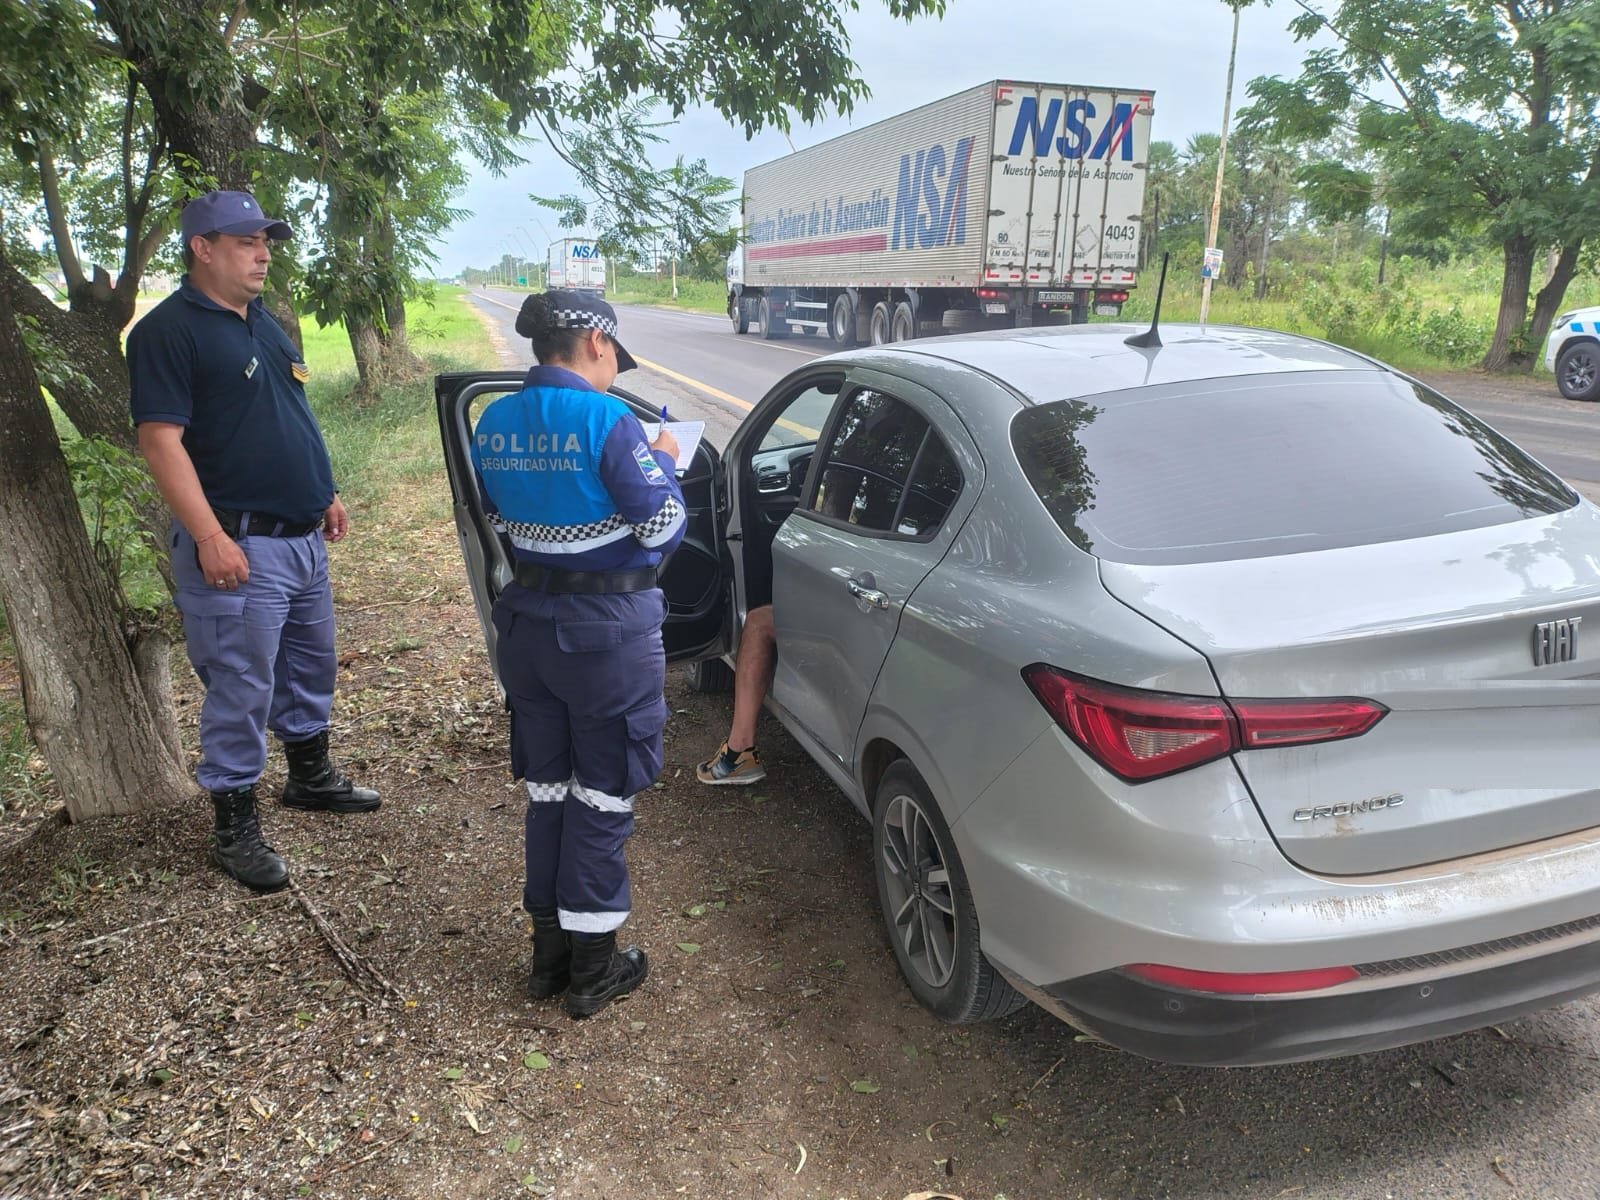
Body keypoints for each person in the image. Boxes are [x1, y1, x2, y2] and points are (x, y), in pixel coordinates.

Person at [128, 190, 380, 895]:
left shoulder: (263, 321)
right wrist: (208, 534)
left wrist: (323, 490)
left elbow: (286, 411)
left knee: (309, 665)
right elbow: (160, 441)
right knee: (240, 685)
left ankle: (309, 777)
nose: (263, 254)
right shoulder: (168, 331)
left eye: (266, 241)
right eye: (246, 241)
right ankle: (234, 826)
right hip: (239, 544)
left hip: (300, 538)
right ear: (202, 248)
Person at [473, 290, 685, 1019]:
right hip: (605, 636)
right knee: (601, 796)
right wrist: (663, 461)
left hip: (527, 629)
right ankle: (594, 969)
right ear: (597, 342)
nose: (613, 366)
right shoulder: (608, 420)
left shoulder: (493, 420)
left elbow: (497, 515)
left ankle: (548, 958)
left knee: (548, 794)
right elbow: (664, 528)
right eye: (613, 354)